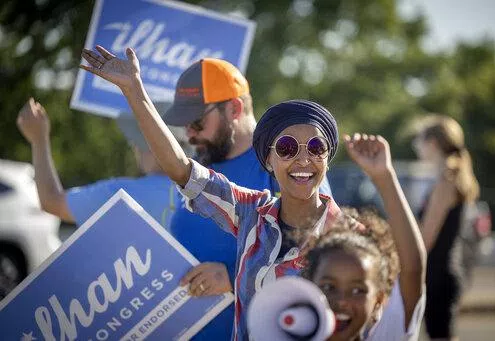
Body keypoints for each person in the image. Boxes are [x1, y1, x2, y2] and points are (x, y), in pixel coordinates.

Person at [79, 46, 425, 341]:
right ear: (269, 161)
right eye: (287, 147)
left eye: (316, 147)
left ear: (327, 161)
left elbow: (410, 277)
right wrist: (134, 91)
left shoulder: (348, 237)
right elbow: (181, 169)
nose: (303, 158)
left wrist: (385, 176)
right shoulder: (250, 213)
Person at [165, 58, 334, 339]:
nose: (189, 135)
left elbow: (321, 253)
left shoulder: (288, 164)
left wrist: (232, 277)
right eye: (185, 126)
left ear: (234, 108)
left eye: (197, 122)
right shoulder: (198, 164)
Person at [302, 134, 426, 340]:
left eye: (358, 290)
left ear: (379, 299)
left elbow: (412, 268)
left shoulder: (387, 335)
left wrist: (383, 176)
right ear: (309, 288)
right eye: (328, 287)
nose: (342, 301)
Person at [16, 98, 190, 227]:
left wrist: (38, 139)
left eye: (135, 141)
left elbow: (51, 201)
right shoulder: (207, 191)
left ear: (145, 144)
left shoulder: (122, 196)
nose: (133, 148)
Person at [412, 115, 480, 341]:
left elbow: (425, 238)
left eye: (418, 141)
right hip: (442, 273)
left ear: (432, 143)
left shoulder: (445, 182)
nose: (416, 147)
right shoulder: (451, 178)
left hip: (439, 276)